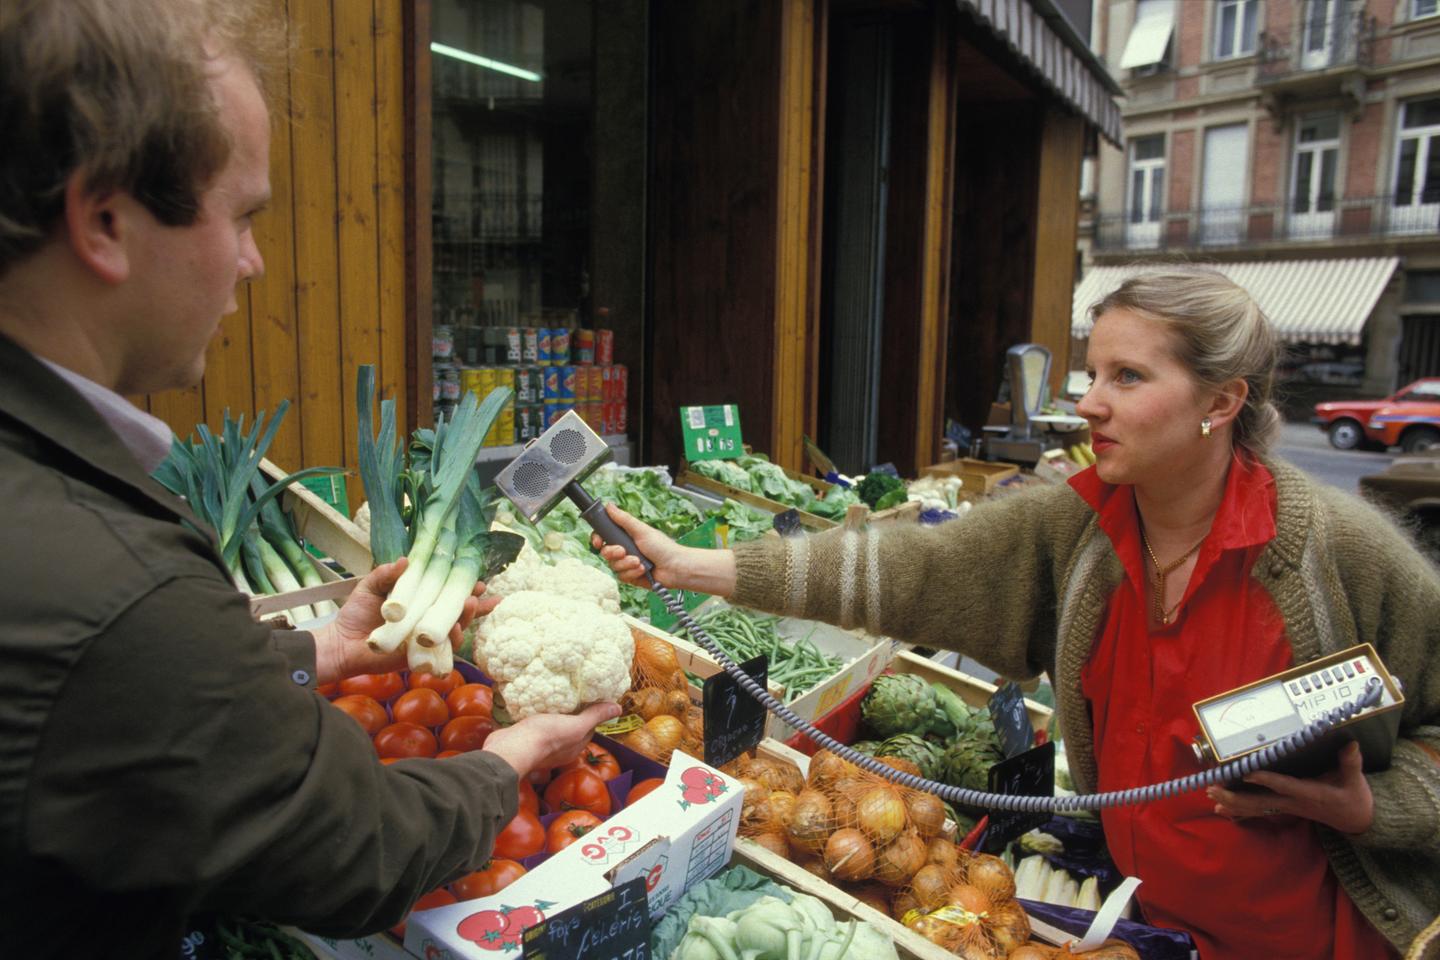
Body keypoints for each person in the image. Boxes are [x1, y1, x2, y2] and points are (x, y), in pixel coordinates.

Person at [0, 2, 616, 956]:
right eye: (241, 216)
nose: (251, 262)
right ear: (105, 219)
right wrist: (505, 767)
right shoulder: (115, 578)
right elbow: (355, 849)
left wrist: (315, 652)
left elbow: (106, 715)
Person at [600, 269, 1440, 959]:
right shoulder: (1080, 527)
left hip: (1322, 938)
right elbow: (910, 570)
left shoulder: (1337, 557)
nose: (1090, 404)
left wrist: (1368, 809)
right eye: (1092, 373)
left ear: (1220, 403)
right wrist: (693, 566)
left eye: (1129, 377)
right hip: (1150, 931)